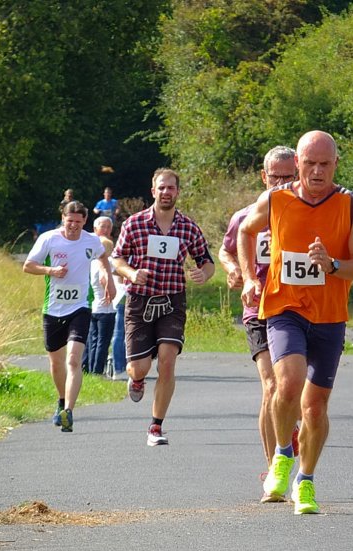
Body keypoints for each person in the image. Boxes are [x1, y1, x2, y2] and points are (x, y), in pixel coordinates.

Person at [238, 131, 353, 513]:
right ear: (297, 163)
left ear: (335, 165)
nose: (316, 171)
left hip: (330, 316)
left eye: (324, 164)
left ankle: (306, 480)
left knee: (314, 408)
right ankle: (282, 455)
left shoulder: (350, 205)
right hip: (284, 308)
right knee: (288, 381)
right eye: (309, 163)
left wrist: (332, 265)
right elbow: (246, 233)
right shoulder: (275, 200)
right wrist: (250, 277)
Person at [218, 146, 301, 498]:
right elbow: (225, 249)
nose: (282, 183)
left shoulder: (306, 211)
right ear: (263, 177)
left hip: (299, 309)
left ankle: (290, 425)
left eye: (289, 176)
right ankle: (275, 471)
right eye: (275, 176)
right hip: (259, 308)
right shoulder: (245, 216)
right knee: (270, 386)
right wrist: (236, 270)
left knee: (292, 390)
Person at [111, 168, 215, 446]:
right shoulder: (134, 224)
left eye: (171, 188)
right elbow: (117, 259)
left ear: (177, 192)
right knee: (139, 368)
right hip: (140, 301)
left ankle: (155, 427)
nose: (166, 192)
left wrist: (203, 274)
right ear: (153, 191)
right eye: (162, 188)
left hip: (172, 300)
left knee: (168, 361)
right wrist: (131, 273)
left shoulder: (188, 227)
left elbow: (207, 260)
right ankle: (136, 379)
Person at [23, 201, 115, 433]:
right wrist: (50, 271)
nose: (73, 225)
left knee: (73, 359)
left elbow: (103, 256)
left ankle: (69, 412)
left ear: (84, 221)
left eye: (77, 221)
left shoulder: (91, 241)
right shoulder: (49, 239)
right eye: (69, 220)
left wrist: (108, 277)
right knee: (56, 363)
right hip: (53, 308)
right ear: (62, 218)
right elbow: (28, 266)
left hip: (80, 308)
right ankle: (62, 400)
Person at [82, 216, 117, 374]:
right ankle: (96, 370)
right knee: (102, 341)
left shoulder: (94, 263)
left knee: (93, 339)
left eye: (108, 226)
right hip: (104, 307)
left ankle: (89, 368)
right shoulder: (105, 264)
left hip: (95, 305)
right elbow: (106, 280)